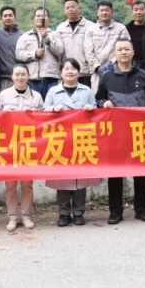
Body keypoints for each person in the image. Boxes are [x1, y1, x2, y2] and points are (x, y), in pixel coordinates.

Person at [96, 39, 145, 224]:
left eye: (126, 49)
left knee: (140, 172)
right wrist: (104, 103)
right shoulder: (106, 76)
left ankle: (141, 209)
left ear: (132, 52)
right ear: (114, 54)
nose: (123, 52)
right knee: (115, 173)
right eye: (120, 49)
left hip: (139, 131)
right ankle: (115, 211)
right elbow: (98, 99)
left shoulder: (143, 75)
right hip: (115, 133)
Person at [44, 58, 99, 227]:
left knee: (80, 177)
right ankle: (63, 213)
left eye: (73, 68)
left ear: (78, 72)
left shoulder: (87, 91)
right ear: (61, 72)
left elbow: (97, 112)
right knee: (63, 177)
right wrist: (53, 109)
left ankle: (79, 212)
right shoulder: (53, 91)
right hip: (60, 139)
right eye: (66, 68)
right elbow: (43, 112)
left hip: (81, 138)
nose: (70, 71)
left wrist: (91, 109)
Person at [0, 64, 44, 231]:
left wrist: (35, 115)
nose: (20, 77)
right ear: (12, 77)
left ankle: (26, 216)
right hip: (9, 145)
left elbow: (44, 121)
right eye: (17, 74)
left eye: (23, 74)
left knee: (27, 183)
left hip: (29, 145)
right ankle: (12, 217)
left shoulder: (37, 96)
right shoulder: (4, 95)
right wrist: (4, 113)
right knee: (10, 184)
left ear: (28, 76)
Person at [15, 7, 64, 100]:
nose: (40, 18)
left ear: (48, 19)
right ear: (34, 18)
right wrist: (34, 54)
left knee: (51, 105)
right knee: (34, 105)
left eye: (44, 16)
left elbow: (60, 51)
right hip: (33, 79)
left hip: (51, 78)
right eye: (38, 16)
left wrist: (47, 38)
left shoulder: (55, 34)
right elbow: (18, 54)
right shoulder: (25, 36)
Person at [84, 1, 131, 92]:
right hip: (97, 73)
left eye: (107, 10)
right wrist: (98, 67)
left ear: (112, 12)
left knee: (117, 95)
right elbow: (88, 51)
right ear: (97, 13)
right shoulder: (90, 30)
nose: (104, 12)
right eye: (101, 10)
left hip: (117, 70)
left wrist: (111, 64)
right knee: (98, 96)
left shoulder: (121, 28)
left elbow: (125, 48)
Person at [54, 0, 92, 87]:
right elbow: (59, 49)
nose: (70, 10)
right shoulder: (60, 28)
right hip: (67, 72)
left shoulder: (90, 26)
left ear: (79, 8)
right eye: (67, 8)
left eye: (73, 7)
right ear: (64, 11)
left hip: (85, 72)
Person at [0, 5, 23, 91]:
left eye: (10, 15)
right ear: (1, 18)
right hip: (1, 78)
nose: (8, 18)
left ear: (15, 17)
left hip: (18, 77)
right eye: (5, 16)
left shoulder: (22, 35)